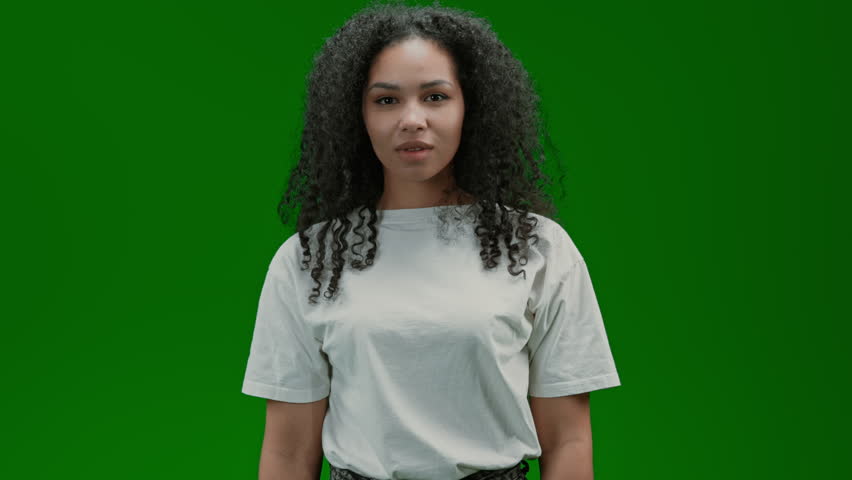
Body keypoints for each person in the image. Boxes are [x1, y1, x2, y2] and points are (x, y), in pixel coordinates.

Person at [241, 1, 621, 479]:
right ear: (357, 117)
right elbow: (288, 452)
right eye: (386, 100)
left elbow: (567, 440)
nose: (412, 119)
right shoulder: (310, 259)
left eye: (436, 96)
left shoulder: (537, 248)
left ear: (470, 108)